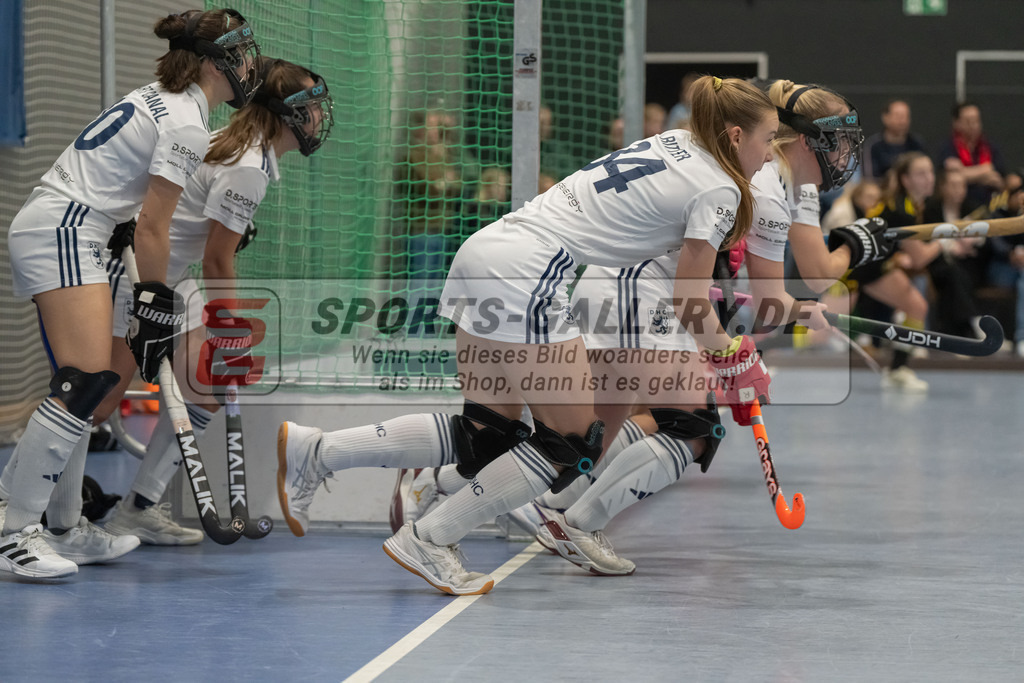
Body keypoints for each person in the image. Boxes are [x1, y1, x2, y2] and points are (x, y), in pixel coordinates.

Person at [276, 76, 814, 596]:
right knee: (571, 443)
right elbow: (689, 300)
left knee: (487, 434)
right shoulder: (721, 187)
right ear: (735, 136)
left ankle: (318, 451)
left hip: (488, 250)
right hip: (531, 272)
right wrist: (732, 355)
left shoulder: (675, 141)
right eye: (768, 140)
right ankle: (430, 539)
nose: (771, 154)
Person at [504, 80, 897, 574]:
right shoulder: (768, 187)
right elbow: (767, 300)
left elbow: (769, 299)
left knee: (597, 427)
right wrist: (734, 349)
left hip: (616, 285)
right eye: (839, 142)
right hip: (640, 293)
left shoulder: (772, 178)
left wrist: (799, 310)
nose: (845, 155)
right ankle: (574, 524)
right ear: (806, 141)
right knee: (693, 429)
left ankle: (528, 502)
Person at [0, 8, 262, 579]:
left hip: (77, 227)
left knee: (89, 386)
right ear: (214, 63)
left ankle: (62, 528)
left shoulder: (164, 98)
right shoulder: (188, 122)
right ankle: (12, 531)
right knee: (84, 382)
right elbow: (153, 226)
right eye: (241, 54)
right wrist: (154, 299)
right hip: (68, 228)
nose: (249, 66)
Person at [92, 59, 328, 545]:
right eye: (314, 106)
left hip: (172, 274)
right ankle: (21, 505)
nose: (321, 115)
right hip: (136, 272)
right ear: (291, 114)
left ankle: (137, 510)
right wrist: (230, 328)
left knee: (206, 384)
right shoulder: (249, 166)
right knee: (98, 400)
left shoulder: (245, 147)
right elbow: (218, 260)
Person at [935, 102, 1006, 212]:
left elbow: (999, 178)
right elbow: (950, 178)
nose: (973, 125)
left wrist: (965, 172)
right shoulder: (948, 148)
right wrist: (985, 171)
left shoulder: (990, 147)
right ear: (956, 123)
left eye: (976, 121)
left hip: (989, 206)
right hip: (960, 208)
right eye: (968, 121)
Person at [863, 99, 927, 180]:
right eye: (898, 116)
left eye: (906, 117)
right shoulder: (874, 145)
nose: (903, 121)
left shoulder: (917, 143)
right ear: (885, 118)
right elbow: (870, 179)